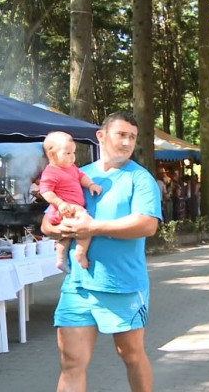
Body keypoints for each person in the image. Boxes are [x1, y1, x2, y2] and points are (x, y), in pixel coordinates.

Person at [40, 112, 161, 391]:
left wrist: (93, 227)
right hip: (78, 285)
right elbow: (49, 219)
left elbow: (147, 224)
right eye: (121, 135)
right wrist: (53, 229)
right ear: (101, 136)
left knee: (130, 355)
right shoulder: (77, 173)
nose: (127, 142)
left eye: (132, 137)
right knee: (71, 361)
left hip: (122, 285)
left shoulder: (140, 179)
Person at [39, 131, 103, 272]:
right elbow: (45, 191)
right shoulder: (51, 172)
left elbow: (81, 176)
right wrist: (60, 203)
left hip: (70, 208)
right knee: (86, 224)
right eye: (67, 153)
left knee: (66, 237)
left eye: (73, 152)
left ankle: (61, 259)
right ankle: (80, 253)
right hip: (65, 208)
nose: (72, 157)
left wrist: (91, 185)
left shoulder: (71, 168)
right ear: (51, 155)